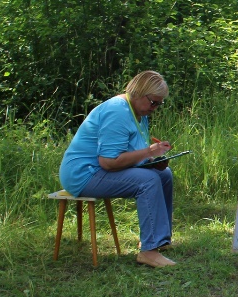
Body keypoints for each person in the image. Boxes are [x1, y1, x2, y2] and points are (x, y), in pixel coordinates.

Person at [59, 71, 177, 267]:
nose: (155, 108)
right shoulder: (117, 112)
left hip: (100, 170)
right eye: (153, 102)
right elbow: (109, 162)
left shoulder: (139, 112)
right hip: (84, 174)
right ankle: (149, 251)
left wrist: (151, 160)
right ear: (139, 93)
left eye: (159, 104)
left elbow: (131, 153)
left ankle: (159, 240)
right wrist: (148, 152)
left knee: (163, 174)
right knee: (148, 181)